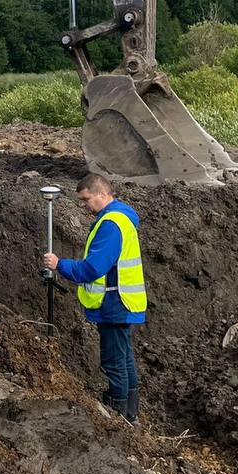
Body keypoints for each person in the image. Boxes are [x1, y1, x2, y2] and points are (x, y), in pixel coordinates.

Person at [43, 172, 146, 424]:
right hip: (122, 302)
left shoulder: (111, 225)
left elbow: (93, 268)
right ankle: (131, 414)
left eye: (86, 199)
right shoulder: (121, 218)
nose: (84, 206)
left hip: (115, 303)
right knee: (124, 356)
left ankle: (118, 415)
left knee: (114, 361)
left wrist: (59, 264)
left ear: (102, 193)